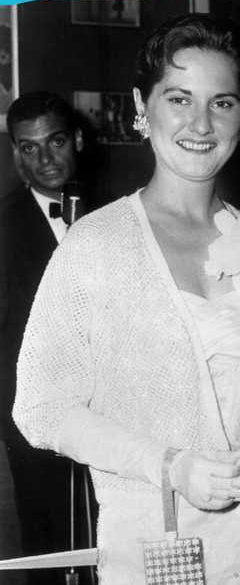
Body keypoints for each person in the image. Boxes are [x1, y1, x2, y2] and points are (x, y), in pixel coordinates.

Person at [13, 14, 240, 583]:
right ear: (143, 105)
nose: (201, 123)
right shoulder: (96, 245)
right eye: (180, 98)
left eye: (223, 103)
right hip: (156, 553)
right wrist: (169, 465)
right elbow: (39, 407)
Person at [0, 91, 88, 584]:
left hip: (115, 409)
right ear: (16, 154)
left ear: (76, 139)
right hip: (32, 418)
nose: (45, 159)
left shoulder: (121, 213)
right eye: (29, 148)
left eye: (54, 141)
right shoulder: (2, 225)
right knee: (47, 545)